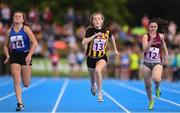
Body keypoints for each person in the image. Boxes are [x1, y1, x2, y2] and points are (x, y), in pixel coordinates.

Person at [3, 11, 38, 111]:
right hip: (14, 56)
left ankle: (20, 101)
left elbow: (35, 43)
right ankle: (20, 103)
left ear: (23, 19)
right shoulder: (10, 31)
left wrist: (29, 55)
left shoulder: (26, 29)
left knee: (26, 84)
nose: (17, 17)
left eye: (19, 16)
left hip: (25, 55)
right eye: (15, 16)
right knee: (16, 80)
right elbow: (5, 45)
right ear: (13, 18)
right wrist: (8, 55)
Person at [82, 12, 119, 102]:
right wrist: (94, 36)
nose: (97, 20)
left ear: (102, 21)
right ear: (93, 22)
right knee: (92, 78)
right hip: (90, 58)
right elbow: (83, 42)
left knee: (98, 71)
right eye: (95, 19)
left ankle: (100, 93)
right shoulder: (89, 30)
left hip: (102, 57)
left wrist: (115, 49)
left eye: (99, 19)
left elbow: (112, 37)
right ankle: (92, 85)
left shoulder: (106, 31)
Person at [141, 19, 168, 110]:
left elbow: (164, 47)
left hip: (157, 62)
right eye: (151, 27)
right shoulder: (145, 36)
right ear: (148, 27)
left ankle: (157, 87)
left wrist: (166, 56)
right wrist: (151, 41)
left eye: (154, 27)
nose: (153, 28)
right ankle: (151, 101)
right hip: (146, 63)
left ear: (157, 28)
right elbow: (145, 50)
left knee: (156, 78)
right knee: (148, 86)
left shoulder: (161, 36)